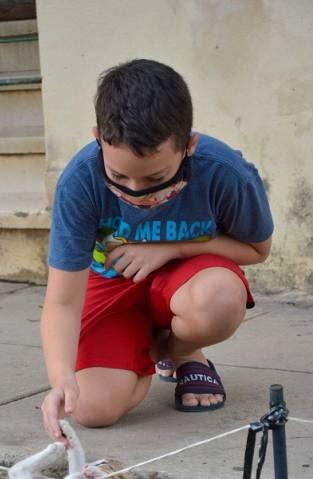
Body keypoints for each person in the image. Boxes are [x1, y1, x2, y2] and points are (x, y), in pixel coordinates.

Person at [41, 59, 273, 445]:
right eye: (118, 176)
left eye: (155, 178)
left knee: (218, 298)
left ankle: (183, 353)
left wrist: (170, 249)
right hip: (112, 285)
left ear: (189, 146)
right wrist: (61, 377)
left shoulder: (223, 172)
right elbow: (62, 301)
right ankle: (144, 350)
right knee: (90, 409)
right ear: (99, 138)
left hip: (183, 279)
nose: (137, 191)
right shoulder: (79, 181)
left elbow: (257, 249)